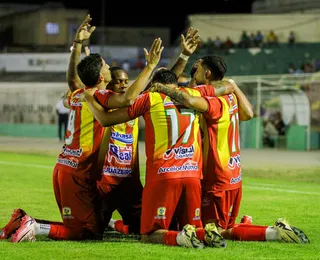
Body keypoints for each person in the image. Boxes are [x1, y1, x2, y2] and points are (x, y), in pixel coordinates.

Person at [1, 14, 164, 242]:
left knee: (87, 226)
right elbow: (127, 99)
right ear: (101, 76)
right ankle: (35, 227)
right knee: (86, 233)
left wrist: (77, 45)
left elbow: (72, 81)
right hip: (78, 172)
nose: (109, 68)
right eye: (107, 67)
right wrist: (151, 67)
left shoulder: (78, 94)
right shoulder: (98, 94)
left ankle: (22, 221)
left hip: (64, 167)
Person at [150, 55, 309, 244]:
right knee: (221, 227)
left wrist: (162, 87)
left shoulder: (211, 98)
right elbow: (248, 113)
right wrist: (233, 86)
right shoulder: (230, 96)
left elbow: (190, 99)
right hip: (234, 173)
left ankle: (272, 233)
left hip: (217, 175)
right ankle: (257, 226)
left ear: (207, 73)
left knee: (215, 231)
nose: (195, 71)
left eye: (198, 68)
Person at [83, 69, 226, 248]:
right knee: (189, 226)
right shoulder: (192, 93)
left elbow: (106, 119)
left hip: (163, 176)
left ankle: (181, 239)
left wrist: (89, 98)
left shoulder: (150, 98)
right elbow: (224, 87)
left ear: (155, 85)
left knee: (149, 234)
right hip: (192, 176)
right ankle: (205, 232)